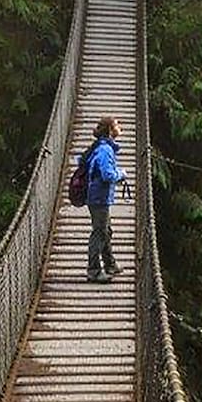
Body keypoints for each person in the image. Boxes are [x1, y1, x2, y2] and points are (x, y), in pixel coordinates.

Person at [83, 116, 128, 283]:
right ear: (110, 130)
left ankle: (110, 264)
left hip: (99, 197)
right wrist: (121, 174)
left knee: (106, 231)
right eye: (116, 124)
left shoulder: (102, 147)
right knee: (99, 233)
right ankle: (93, 271)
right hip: (98, 198)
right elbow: (107, 174)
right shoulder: (105, 150)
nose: (119, 127)